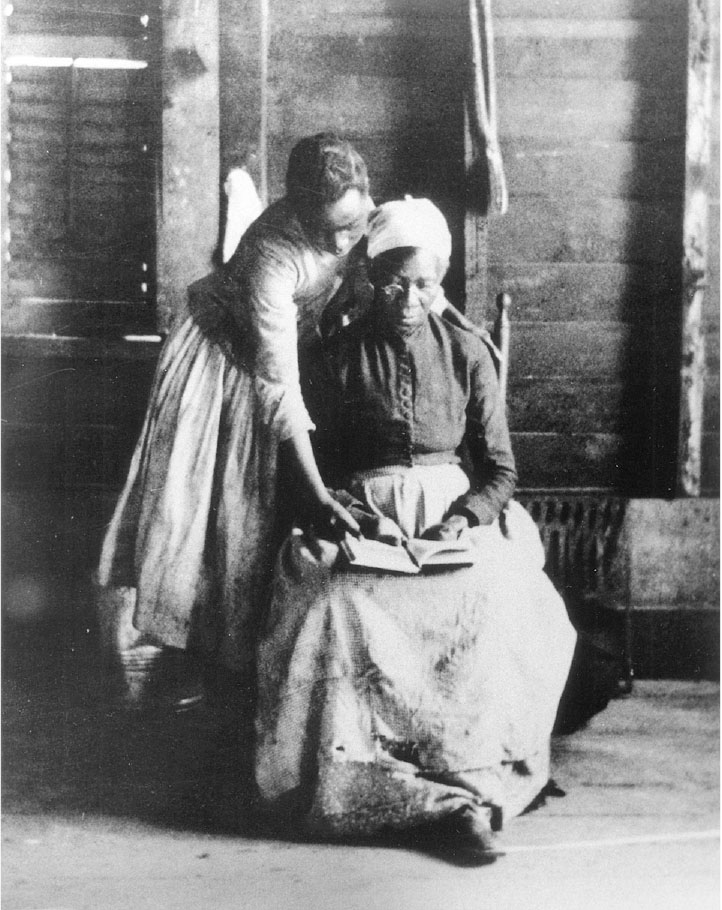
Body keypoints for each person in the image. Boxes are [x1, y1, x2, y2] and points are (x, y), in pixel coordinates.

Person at [254, 197, 577, 857]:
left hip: (452, 517)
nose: (409, 298)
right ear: (371, 277)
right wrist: (345, 512)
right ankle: (362, 781)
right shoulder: (335, 355)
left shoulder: (467, 351)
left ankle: (473, 780)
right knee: (333, 605)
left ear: (442, 282)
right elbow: (313, 468)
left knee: (495, 598)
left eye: (425, 284)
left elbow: (500, 473)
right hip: (365, 517)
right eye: (395, 282)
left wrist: (462, 518)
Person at [97, 133, 373, 676]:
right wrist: (318, 495)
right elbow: (278, 386)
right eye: (331, 229)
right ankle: (207, 671)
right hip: (221, 361)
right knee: (217, 516)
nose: (345, 239)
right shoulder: (272, 254)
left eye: (354, 220)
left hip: (284, 356)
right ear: (300, 210)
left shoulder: (367, 212)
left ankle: (252, 664)